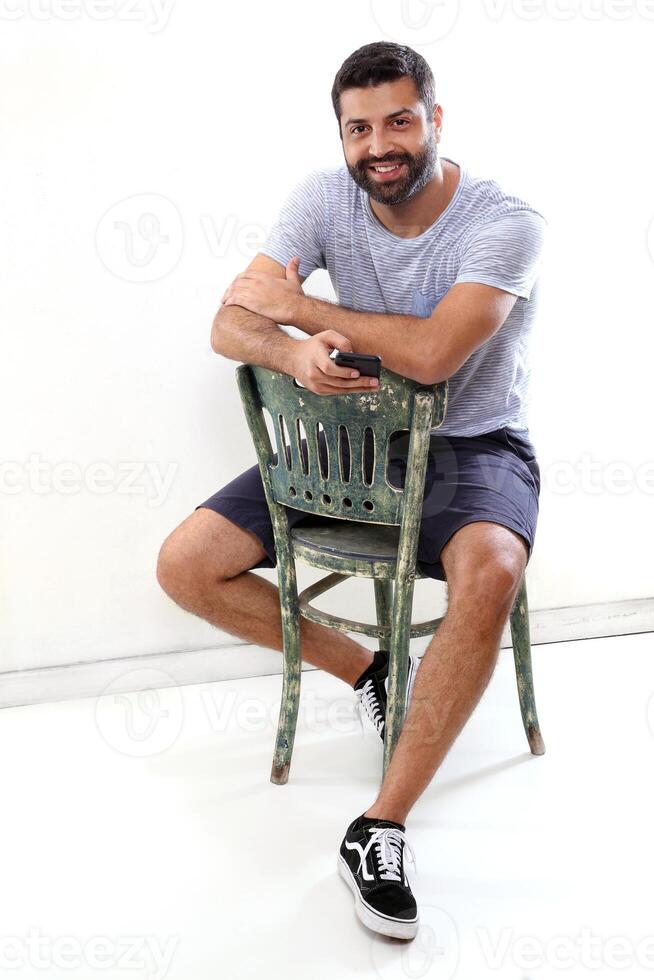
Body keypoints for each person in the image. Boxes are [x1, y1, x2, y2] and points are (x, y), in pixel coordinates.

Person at [156, 40, 546, 940]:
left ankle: (379, 827)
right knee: (186, 565)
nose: (380, 144)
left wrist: (301, 311)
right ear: (342, 134)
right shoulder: (322, 198)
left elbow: (435, 355)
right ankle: (372, 669)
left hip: (472, 447)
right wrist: (287, 350)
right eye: (359, 128)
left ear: (436, 121)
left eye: (400, 121)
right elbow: (229, 320)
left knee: (490, 571)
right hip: (354, 445)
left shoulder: (506, 222)